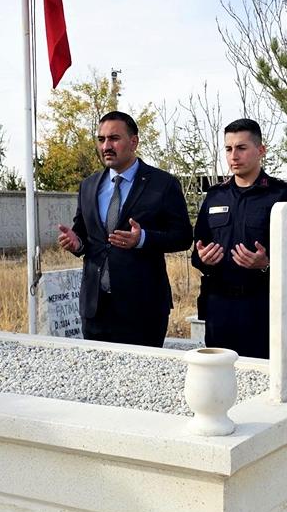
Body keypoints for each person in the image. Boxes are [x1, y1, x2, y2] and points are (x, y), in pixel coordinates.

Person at [57, 110, 192, 347]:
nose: (106, 146)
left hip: (143, 308)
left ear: (133, 142)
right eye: (101, 139)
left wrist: (143, 239)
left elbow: (183, 237)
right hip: (95, 308)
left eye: (114, 138)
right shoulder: (88, 186)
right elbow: (84, 235)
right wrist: (76, 243)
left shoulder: (162, 184)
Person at [191, 119, 287, 359]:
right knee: (219, 371)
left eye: (241, 148)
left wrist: (266, 264)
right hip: (219, 306)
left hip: (261, 304)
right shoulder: (215, 196)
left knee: (261, 372)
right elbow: (197, 252)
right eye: (228, 149)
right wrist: (204, 259)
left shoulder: (280, 194)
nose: (234, 156)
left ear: (261, 150)